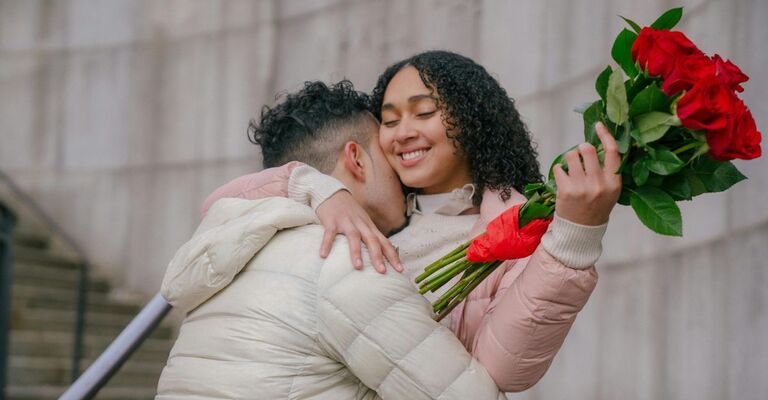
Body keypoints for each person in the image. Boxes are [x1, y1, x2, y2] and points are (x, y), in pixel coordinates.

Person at [184, 51, 622, 391]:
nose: (402, 132)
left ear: (472, 119)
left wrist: (574, 238)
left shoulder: (519, 226)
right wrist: (318, 188)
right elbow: (221, 205)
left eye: (423, 113)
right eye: (389, 121)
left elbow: (503, 370)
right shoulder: (370, 212)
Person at [157, 80, 506, 399]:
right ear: (356, 159)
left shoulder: (241, 246)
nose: (402, 177)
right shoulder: (348, 263)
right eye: (386, 158)